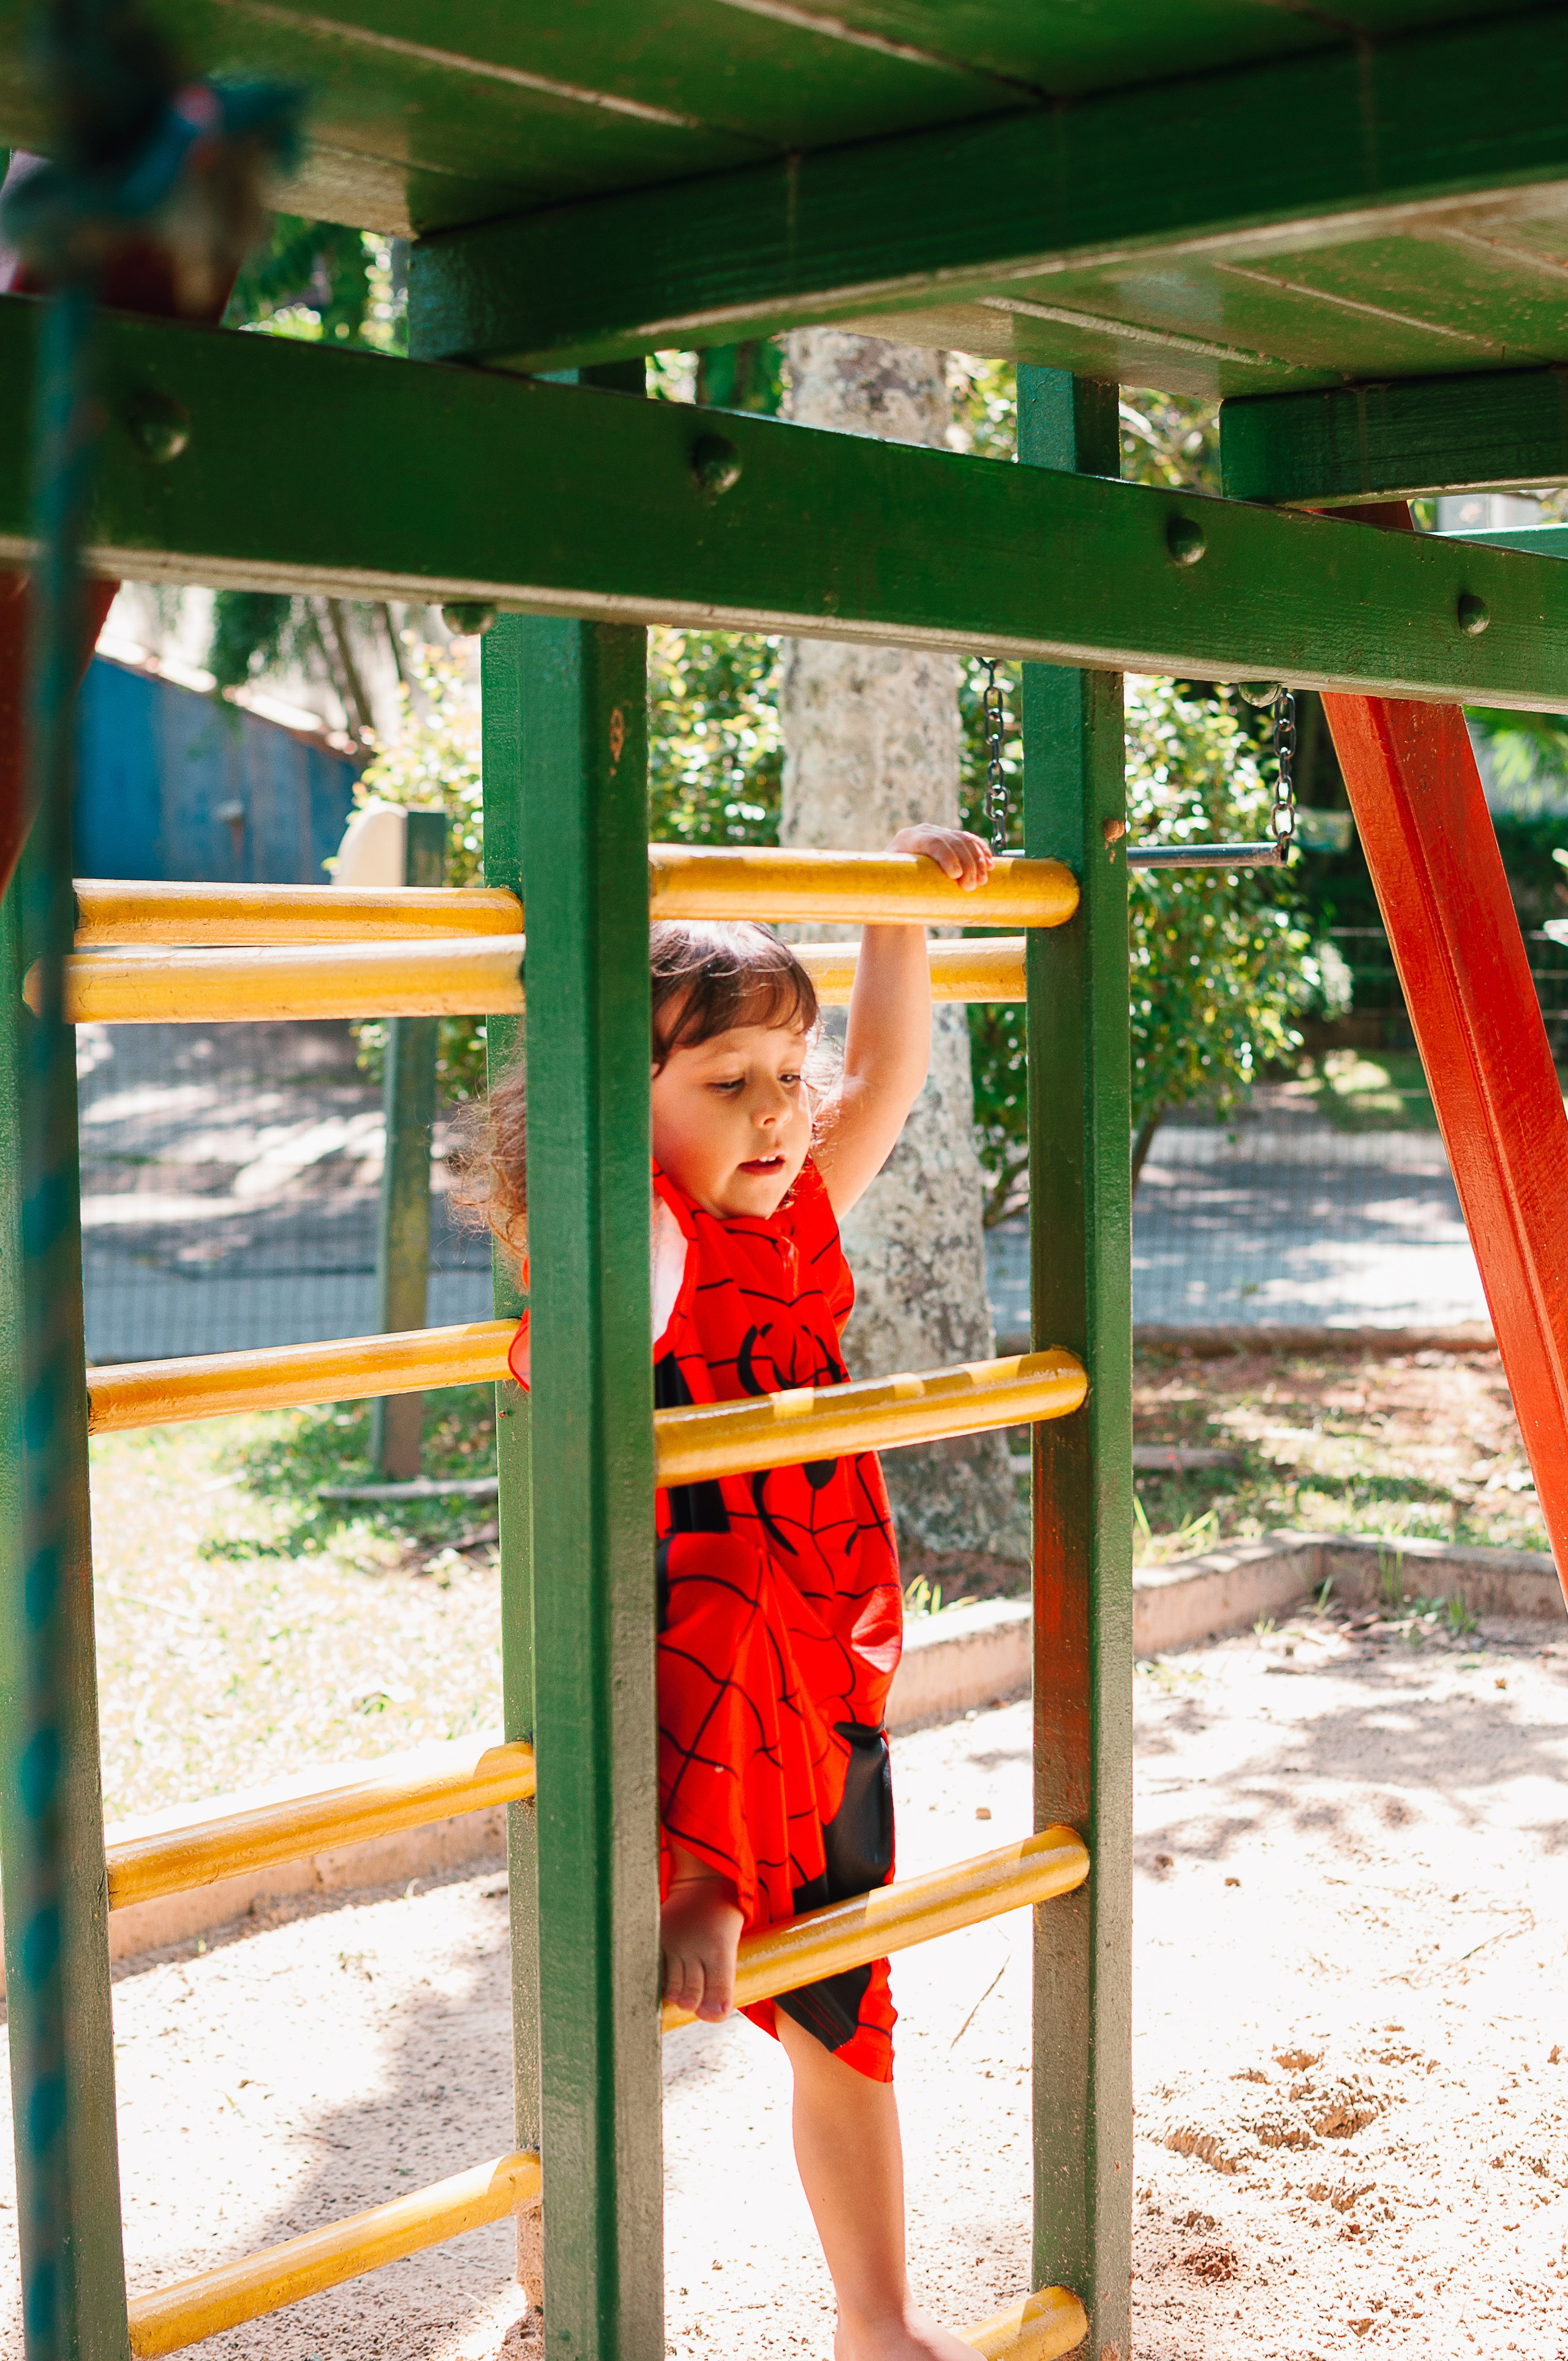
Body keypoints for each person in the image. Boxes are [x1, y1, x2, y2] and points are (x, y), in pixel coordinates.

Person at [459, 823, 995, 2361]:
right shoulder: (646, 1238)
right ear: (616, 1111)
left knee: (847, 1983)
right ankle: (691, 1878)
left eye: (783, 1071)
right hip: (699, 1639)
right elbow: (611, 1282)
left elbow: (882, 1072)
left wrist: (902, 904)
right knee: (716, 1615)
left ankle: (875, 2316)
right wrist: (623, 1202)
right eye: (724, 1082)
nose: (775, 1112)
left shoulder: (799, 1204)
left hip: (834, 1652)